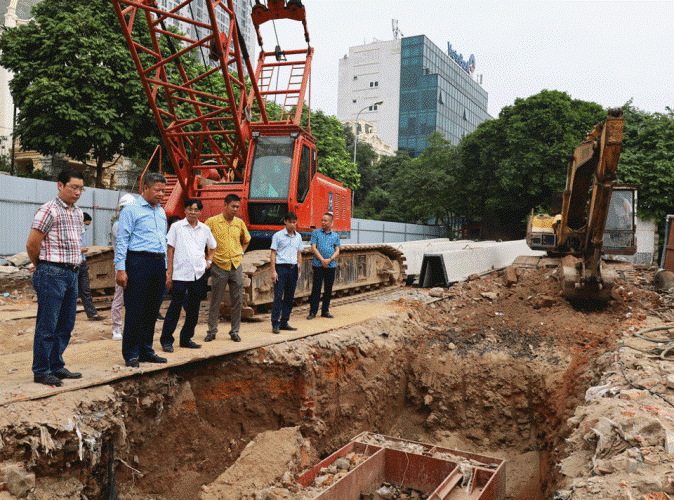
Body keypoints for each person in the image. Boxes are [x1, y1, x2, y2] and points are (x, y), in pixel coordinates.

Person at [26, 168, 86, 386]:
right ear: (60, 185)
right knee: (47, 325)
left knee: (66, 324)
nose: (77, 192)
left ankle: (56, 366)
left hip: (72, 273)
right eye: (73, 187)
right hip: (52, 272)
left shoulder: (78, 212)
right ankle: (41, 370)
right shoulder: (48, 210)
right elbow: (32, 243)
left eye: (81, 188)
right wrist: (40, 267)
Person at [114, 173, 168, 368]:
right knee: (135, 310)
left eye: (164, 190)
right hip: (137, 262)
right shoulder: (131, 210)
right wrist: (121, 268)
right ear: (145, 188)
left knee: (152, 310)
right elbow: (122, 240)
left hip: (157, 263)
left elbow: (164, 240)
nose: (161, 194)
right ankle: (131, 353)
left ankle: (146, 350)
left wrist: (166, 267)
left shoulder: (161, 212)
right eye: (157, 190)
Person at [159, 198, 216, 352]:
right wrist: (169, 274)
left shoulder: (204, 229)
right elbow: (169, 250)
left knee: (193, 309)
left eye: (196, 210)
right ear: (184, 210)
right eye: (190, 209)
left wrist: (208, 262)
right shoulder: (177, 227)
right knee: (174, 308)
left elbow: (212, 247)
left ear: (200, 212)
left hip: (197, 275)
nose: (193, 212)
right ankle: (166, 340)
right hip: (180, 275)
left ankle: (186, 338)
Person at [205, 193, 251, 343]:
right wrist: (207, 258)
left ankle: (235, 331)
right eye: (233, 206)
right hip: (219, 265)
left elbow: (247, 239)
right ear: (225, 205)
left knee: (237, 300)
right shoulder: (212, 222)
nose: (235, 209)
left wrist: (241, 252)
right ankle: (212, 331)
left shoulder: (239, 223)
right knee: (216, 300)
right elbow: (201, 239)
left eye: (237, 207)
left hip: (236, 265)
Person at [270, 212, 303, 334]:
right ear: (285, 222)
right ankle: (275, 323)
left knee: (289, 297)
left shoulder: (298, 237)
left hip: (293, 268)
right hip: (281, 268)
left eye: (294, 222)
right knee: (278, 296)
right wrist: (273, 271)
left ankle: (284, 321)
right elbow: (273, 253)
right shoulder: (278, 236)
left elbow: (299, 253)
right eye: (290, 222)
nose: (292, 225)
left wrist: (299, 269)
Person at [110, 193, 136, 341]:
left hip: (134, 263)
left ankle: (130, 328)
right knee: (119, 297)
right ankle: (116, 328)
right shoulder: (118, 225)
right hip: (122, 264)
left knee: (134, 297)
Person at [307, 213, 340, 320]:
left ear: (331, 223)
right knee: (316, 289)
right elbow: (313, 247)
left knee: (328, 289)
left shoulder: (335, 236)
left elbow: (337, 250)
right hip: (318, 265)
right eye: (322, 220)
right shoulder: (316, 233)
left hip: (331, 265)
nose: (323, 222)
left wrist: (329, 260)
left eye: (325, 221)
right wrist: (322, 260)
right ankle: (313, 312)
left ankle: (325, 311)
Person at [78, 212, 106, 322]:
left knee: (85, 290)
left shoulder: (82, 233)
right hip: (74, 264)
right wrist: (79, 250)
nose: (86, 227)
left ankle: (92, 314)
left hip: (82, 264)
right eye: (86, 224)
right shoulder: (73, 232)